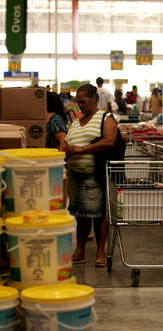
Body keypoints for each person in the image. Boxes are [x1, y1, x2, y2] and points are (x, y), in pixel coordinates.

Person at [62, 83, 118, 267]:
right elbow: (69, 141)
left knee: (98, 213)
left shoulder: (106, 118)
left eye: (83, 102)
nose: (80, 106)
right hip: (76, 175)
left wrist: (82, 149)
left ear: (94, 98)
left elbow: (109, 141)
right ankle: (80, 251)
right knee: (81, 214)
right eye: (78, 102)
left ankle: (100, 252)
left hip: (95, 174)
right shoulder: (77, 122)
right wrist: (65, 148)